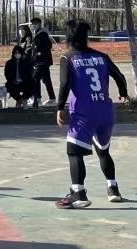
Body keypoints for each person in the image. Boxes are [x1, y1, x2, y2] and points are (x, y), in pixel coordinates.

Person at [54, 20, 129, 208]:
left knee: (74, 152)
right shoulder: (102, 57)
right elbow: (120, 77)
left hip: (84, 113)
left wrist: (60, 107)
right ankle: (113, 188)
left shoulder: (68, 58)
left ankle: (78, 193)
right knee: (103, 151)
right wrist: (123, 93)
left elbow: (64, 84)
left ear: (68, 37)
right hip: (105, 111)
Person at [30, 17, 57, 107]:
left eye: (35, 24)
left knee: (35, 78)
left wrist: (38, 55)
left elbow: (47, 46)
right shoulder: (38, 33)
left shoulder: (42, 34)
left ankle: (38, 99)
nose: (33, 26)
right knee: (46, 80)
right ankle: (52, 98)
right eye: (32, 24)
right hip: (43, 61)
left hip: (42, 61)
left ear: (39, 25)